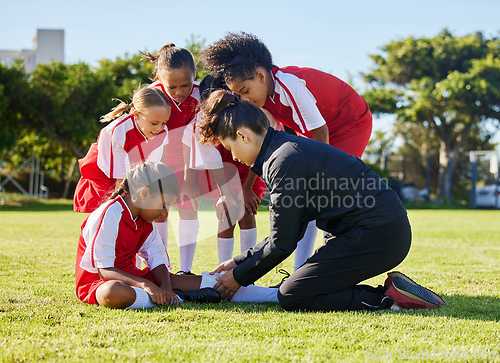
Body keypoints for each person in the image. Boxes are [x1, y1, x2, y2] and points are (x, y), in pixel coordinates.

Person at [197, 90, 445, 312]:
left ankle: (390, 298)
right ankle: (395, 291)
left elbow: (283, 243)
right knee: (303, 283)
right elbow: (287, 232)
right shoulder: (283, 150)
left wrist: (238, 277)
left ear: (243, 136)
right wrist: (239, 261)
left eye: (229, 147)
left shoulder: (283, 161)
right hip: (370, 230)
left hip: (378, 234)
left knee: (292, 295)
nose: (233, 156)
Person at [200, 32, 374, 272]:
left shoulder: (289, 84)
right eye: (237, 95)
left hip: (348, 123)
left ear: (261, 76)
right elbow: (261, 148)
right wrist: (249, 186)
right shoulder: (262, 100)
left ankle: (319, 262)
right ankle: (300, 269)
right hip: (317, 131)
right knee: (304, 198)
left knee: (321, 194)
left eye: (244, 90)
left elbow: (320, 131)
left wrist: (317, 177)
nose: (243, 99)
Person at [75, 161, 279, 309]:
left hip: (138, 280)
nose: (164, 212)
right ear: (144, 194)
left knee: (216, 282)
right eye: (163, 205)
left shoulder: (145, 219)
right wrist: (147, 285)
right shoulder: (109, 214)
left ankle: (276, 295)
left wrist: (164, 286)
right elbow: (104, 271)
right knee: (112, 293)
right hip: (101, 283)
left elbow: (156, 260)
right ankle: (183, 298)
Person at [143, 44, 203, 274]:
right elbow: (151, 139)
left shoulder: (200, 95)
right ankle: (159, 266)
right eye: (172, 87)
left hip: (192, 159)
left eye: (185, 85)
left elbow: (197, 140)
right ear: (160, 77)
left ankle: (185, 270)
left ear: (194, 75)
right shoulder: (152, 95)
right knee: (157, 209)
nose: (179, 92)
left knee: (189, 205)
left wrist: (189, 181)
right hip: (156, 157)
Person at [73, 86, 170, 215]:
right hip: (105, 168)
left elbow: (152, 169)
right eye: (154, 123)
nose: (159, 128)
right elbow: (120, 181)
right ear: (136, 114)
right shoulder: (120, 131)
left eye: (164, 123)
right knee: (109, 208)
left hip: (133, 163)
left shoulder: (162, 133)